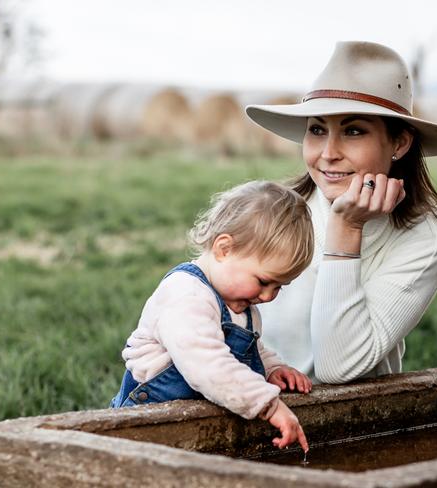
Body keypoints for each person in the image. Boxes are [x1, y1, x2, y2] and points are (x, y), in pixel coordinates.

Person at [245, 41, 437, 384]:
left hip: (352, 421)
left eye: (353, 131)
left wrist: (347, 228)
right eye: (317, 129)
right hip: (248, 406)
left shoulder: (429, 233)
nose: (328, 153)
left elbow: (339, 367)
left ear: (400, 143)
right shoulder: (270, 209)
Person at [111, 180, 314, 452]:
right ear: (224, 249)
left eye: (279, 287)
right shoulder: (187, 295)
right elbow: (208, 365)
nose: (267, 296)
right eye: (264, 281)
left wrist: (272, 368)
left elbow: (246, 350)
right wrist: (268, 404)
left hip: (192, 420)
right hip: (147, 423)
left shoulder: (240, 303)